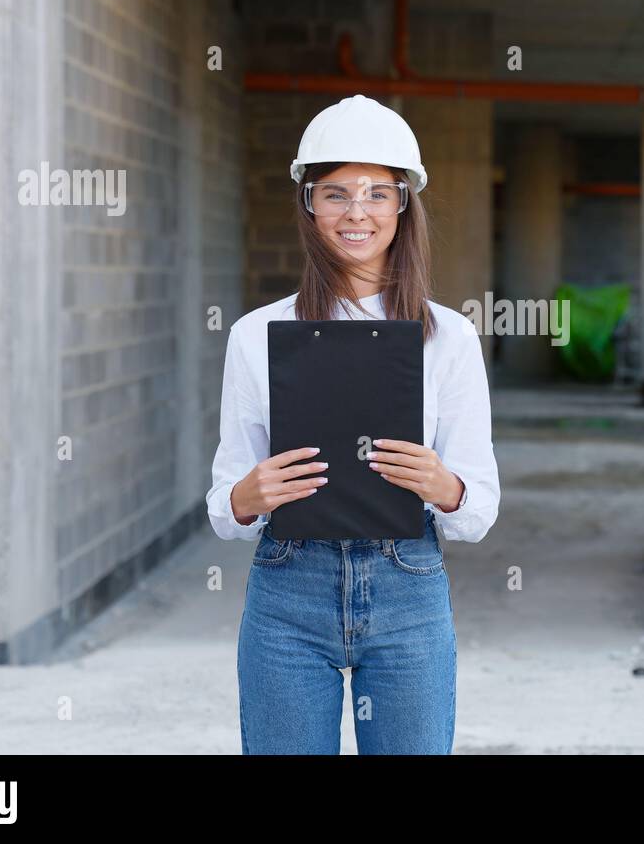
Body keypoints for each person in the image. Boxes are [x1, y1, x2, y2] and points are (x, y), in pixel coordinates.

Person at [205, 94, 500, 754]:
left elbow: (477, 513)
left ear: (403, 204)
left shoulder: (447, 337)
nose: (356, 212)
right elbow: (224, 507)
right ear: (309, 204)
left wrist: (441, 484)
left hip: (408, 586)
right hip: (289, 588)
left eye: (376, 193)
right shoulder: (257, 336)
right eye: (334, 193)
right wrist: (246, 497)